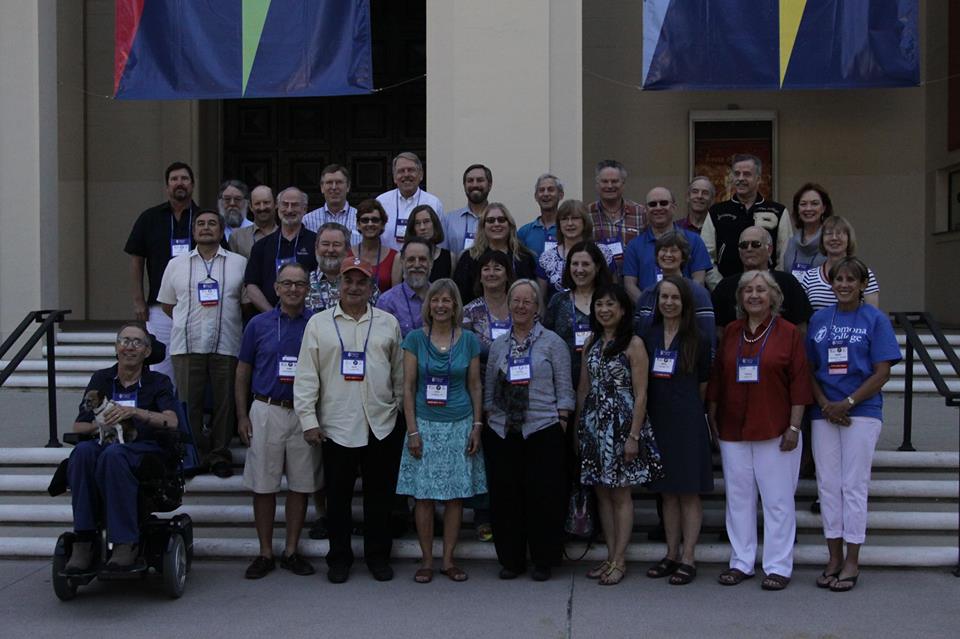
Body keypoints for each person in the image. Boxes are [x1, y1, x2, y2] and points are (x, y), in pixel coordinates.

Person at [293, 256, 404, 583]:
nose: (354, 287)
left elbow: (399, 373)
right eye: (348, 281)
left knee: (379, 497)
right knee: (337, 499)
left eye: (361, 282)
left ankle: (378, 557)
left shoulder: (387, 322)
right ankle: (339, 559)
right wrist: (308, 420)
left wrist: (396, 409)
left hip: (380, 423)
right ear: (338, 284)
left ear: (372, 287)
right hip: (335, 425)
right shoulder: (318, 324)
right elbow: (306, 376)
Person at [707, 270, 812, 591]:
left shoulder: (789, 332)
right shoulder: (733, 332)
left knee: (777, 501)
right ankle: (741, 561)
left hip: (776, 429)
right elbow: (719, 379)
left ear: (774, 297)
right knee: (738, 499)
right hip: (733, 429)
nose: (754, 295)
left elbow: (799, 382)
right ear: (740, 298)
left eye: (761, 290)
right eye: (748, 290)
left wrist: (795, 426)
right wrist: (712, 419)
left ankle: (778, 565)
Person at [805, 257, 900, 592]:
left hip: (860, 411)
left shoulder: (875, 319)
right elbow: (809, 369)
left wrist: (847, 403)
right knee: (828, 485)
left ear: (862, 286)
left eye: (851, 280)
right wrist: (824, 405)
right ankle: (833, 557)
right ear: (831, 283)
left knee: (853, 486)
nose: (844, 284)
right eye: (839, 279)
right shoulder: (818, 319)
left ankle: (852, 560)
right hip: (824, 412)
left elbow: (882, 371)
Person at [64, 322, 179, 572]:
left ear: (147, 352)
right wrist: (101, 423)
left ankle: (125, 541)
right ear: (116, 348)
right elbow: (78, 426)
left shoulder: (157, 382)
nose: (130, 347)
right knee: (83, 452)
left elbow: (171, 420)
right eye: (124, 341)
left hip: (144, 449)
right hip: (107, 443)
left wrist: (136, 412)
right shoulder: (101, 379)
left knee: (114, 454)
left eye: (137, 342)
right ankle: (84, 539)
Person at [483, 279, 574, 581]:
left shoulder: (552, 343)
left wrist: (561, 419)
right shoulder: (498, 345)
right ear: (508, 305)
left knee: (543, 497)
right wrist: (489, 419)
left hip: (542, 427)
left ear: (537, 307)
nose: (521, 306)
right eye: (516, 301)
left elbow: (564, 387)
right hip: (503, 430)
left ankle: (543, 559)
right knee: (506, 497)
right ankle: (511, 560)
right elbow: (489, 389)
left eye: (527, 302)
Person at [397, 279, 486, 583]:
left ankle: (448, 560)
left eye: (447, 300)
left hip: (460, 423)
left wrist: (476, 425)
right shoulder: (414, 339)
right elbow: (407, 388)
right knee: (423, 496)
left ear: (456, 305)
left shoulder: (470, 340)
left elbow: (475, 384)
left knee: (455, 497)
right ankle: (426, 561)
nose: (441, 306)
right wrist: (412, 430)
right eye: (436, 300)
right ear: (428, 305)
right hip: (424, 424)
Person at [236, 263, 320, 579]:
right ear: (276, 287)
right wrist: (242, 415)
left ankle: (292, 551)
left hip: (303, 412)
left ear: (308, 288)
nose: (294, 289)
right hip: (266, 408)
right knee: (264, 485)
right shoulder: (258, 324)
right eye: (287, 283)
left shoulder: (317, 324)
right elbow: (243, 371)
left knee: (300, 485)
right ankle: (265, 552)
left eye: (300, 284)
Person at [575, 286, 658, 586]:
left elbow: (641, 394)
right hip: (595, 427)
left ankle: (620, 559)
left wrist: (634, 436)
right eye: (599, 304)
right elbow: (584, 389)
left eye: (610, 304)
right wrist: (579, 430)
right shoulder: (591, 342)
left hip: (622, 425)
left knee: (621, 493)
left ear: (623, 310)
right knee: (602, 493)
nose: (604, 309)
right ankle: (609, 556)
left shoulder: (634, 344)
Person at [157, 209, 247, 477]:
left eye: (212, 224)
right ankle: (192, 455)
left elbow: (244, 304)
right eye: (200, 224)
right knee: (188, 403)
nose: (206, 228)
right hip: (187, 344)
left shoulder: (239, 263)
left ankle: (219, 454)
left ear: (221, 231)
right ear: (193, 231)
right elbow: (167, 305)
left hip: (227, 343)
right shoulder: (176, 264)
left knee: (224, 403)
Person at [642, 276, 714, 586]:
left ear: (685, 303)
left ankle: (688, 557)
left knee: (688, 492)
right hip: (658, 420)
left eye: (675, 297)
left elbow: (703, 385)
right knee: (667, 493)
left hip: (687, 421)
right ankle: (671, 553)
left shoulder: (698, 338)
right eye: (663, 297)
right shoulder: (647, 333)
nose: (669, 302)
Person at [125, 161, 200, 382]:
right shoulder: (150, 218)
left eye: (184, 179)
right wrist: (139, 301)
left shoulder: (204, 218)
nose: (180, 183)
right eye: (174, 179)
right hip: (159, 306)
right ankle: (164, 414)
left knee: (192, 367)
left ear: (192, 185)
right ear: (166, 186)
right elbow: (136, 260)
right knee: (161, 365)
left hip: (197, 306)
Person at [460, 250, 515, 543]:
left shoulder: (520, 304)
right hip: (478, 393)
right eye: (486, 269)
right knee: (483, 457)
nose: (492, 273)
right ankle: (483, 515)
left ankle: (509, 512)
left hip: (518, 394)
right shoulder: (469, 311)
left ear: (508, 273)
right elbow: (468, 349)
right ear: (479, 275)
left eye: (498, 268)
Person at [701, 154, 793, 286]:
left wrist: (772, 285)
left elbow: (785, 256)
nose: (740, 178)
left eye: (747, 174)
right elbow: (706, 256)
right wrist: (720, 286)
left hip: (767, 290)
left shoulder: (778, 211)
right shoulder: (717, 212)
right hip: (726, 289)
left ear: (758, 178)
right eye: (737, 174)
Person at [623, 186, 712, 302]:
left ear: (674, 207)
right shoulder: (634, 246)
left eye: (663, 203)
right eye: (652, 204)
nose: (658, 208)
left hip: (685, 310)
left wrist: (680, 305)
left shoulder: (694, 241)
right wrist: (650, 308)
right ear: (645, 209)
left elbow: (699, 280)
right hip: (648, 314)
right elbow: (629, 285)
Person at [543, 241, 614, 386]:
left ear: (598, 267)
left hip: (604, 381)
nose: (579, 270)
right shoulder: (558, 301)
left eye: (585, 264)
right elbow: (546, 341)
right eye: (574, 264)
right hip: (563, 381)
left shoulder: (611, 300)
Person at [712, 226, 813, 328]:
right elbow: (719, 331)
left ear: (769, 250)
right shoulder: (725, 286)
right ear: (739, 251)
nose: (749, 249)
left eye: (756, 244)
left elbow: (801, 328)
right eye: (744, 245)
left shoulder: (788, 282)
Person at [633, 231, 716, 347]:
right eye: (663, 250)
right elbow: (638, 334)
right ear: (657, 256)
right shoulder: (647, 294)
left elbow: (709, 338)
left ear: (683, 257)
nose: (668, 254)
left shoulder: (697, 293)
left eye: (673, 250)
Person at [244, 186, 318, 313]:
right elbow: (251, 285)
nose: (289, 210)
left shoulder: (316, 243)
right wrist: (272, 314)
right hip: (269, 319)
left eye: (295, 205)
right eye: (285, 204)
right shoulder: (261, 245)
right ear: (277, 207)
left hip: (307, 320)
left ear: (304, 209)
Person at [452, 203, 537, 306]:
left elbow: (533, 295)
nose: (496, 224)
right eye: (491, 220)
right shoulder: (469, 258)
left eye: (501, 220)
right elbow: (459, 295)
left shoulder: (524, 258)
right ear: (483, 226)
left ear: (509, 225)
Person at [536, 199, 615, 303]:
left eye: (575, 218)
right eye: (564, 219)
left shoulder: (603, 252)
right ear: (559, 224)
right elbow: (540, 301)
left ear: (585, 222)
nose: (570, 223)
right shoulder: (547, 258)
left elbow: (614, 292)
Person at [800, 215, 880, 311]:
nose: (834, 238)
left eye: (839, 233)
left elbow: (873, 316)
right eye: (829, 233)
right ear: (822, 240)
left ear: (849, 239)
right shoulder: (808, 277)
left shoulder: (864, 273)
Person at [588, 160, 646, 275]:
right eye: (604, 181)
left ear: (623, 184)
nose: (610, 186)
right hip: (599, 283)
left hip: (633, 279)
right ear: (597, 184)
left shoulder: (641, 213)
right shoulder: (586, 214)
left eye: (614, 181)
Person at [377, 152, 444, 251]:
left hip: (422, 263)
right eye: (401, 171)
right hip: (389, 264)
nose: (406, 174)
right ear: (395, 177)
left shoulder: (433, 203)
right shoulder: (381, 202)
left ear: (421, 174)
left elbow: (440, 240)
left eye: (411, 170)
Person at [377, 238, 434, 338]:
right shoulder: (386, 302)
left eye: (422, 259)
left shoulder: (443, 298)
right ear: (402, 262)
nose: (417, 265)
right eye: (411, 259)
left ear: (431, 263)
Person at [391, 204, 453, 284]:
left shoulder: (449, 257)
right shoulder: (400, 257)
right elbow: (396, 292)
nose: (422, 227)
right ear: (412, 228)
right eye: (417, 223)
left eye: (426, 221)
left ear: (434, 224)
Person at [782, 182, 832, 280]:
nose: (808, 208)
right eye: (803, 204)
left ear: (824, 208)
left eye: (814, 204)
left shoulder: (832, 240)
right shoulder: (791, 243)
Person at [302, 164, 360, 244]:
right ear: (322, 187)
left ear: (348, 186)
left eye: (339, 182)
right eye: (329, 182)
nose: (334, 187)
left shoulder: (361, 219)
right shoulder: (307, 220)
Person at [443, 164, 492, 254]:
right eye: (470, 181)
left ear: (489, 185)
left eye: (480, 180)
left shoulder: (499, 220)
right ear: (464, 185)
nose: (475, 184)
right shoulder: (449, 220)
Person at [351, 199, 398, 294]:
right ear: (358, 225)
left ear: (383, 224)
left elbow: (396, 295)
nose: (370, 224)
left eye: (375, 220)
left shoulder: (395, 257)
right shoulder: (347, 254)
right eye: (365, 220)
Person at [306, 222, 354, 313]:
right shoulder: (303, 283)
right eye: (325, 244)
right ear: (316, 247)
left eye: (336, 244)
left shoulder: (360, 284)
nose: (330, 250)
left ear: (348, 250)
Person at [518, 173, 564, 258]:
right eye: (541, 190)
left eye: (551, 189)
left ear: (561, 195)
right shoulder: (524, 232)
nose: (546, 194)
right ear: (536, 196)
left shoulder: (567, 228)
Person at [229, 185, 278, 259]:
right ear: (251, 207)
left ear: (276, 204)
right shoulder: (237, 237)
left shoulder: (285, 235)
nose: (262, 208)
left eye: (266, 202)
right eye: (257, 203)